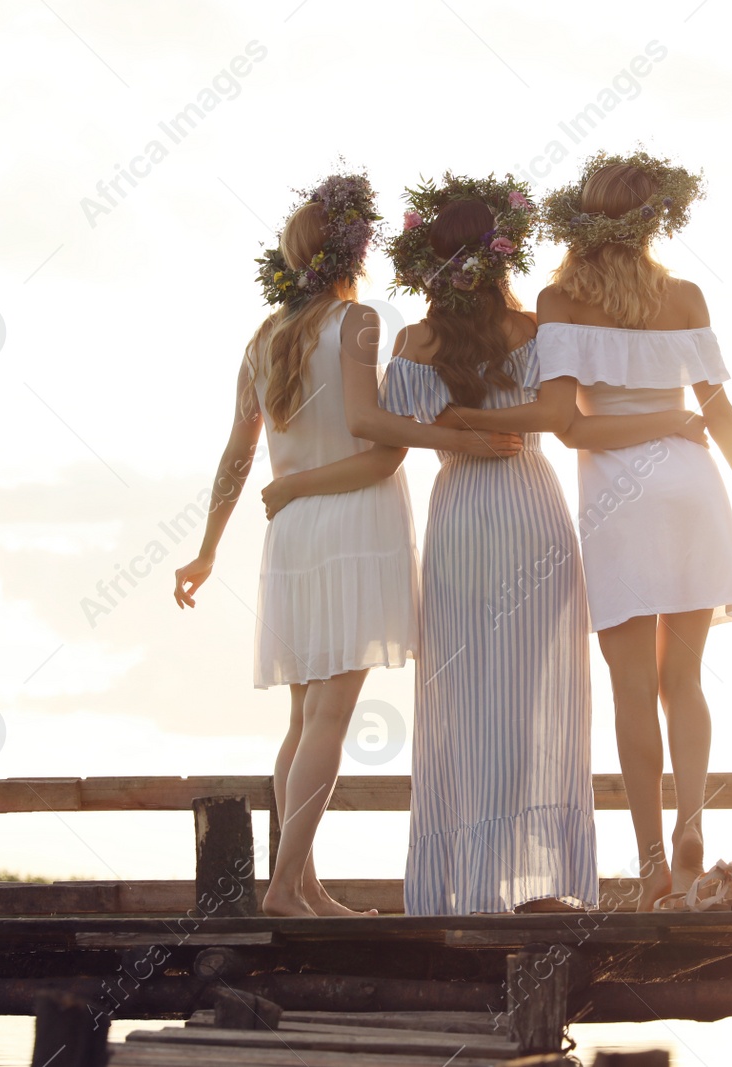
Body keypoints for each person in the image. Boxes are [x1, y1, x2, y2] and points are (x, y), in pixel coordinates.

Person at [172, 173, 514, 917]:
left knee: (303, 718)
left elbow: (237, 453)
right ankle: (283, 887)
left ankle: (303, 883)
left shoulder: (262, 338)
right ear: (352, 251)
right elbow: (375, 438)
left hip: (294, 532)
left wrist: (208, 546)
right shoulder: (357, 323)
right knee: (328, 715)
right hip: (354, 522)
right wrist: (455, 438)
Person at [376, 176, 699, 914]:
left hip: (459, 511)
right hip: (530, 506)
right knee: (529, 698)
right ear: (502, 256)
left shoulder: (414, 343)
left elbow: (388, 443)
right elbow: (565, 415)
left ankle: (472, 886)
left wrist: (450, 432)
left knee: (459, 699)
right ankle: (540, 885)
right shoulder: (535, 333)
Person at [535, 152, 732, 910]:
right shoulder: (683, 297)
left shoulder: (560, 301)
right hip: (692, 490)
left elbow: (571, 431)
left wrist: (646, 421)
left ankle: (653, 862)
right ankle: (691, 826)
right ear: (657, 219)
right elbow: (718, 414)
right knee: (685, 679)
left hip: (621, 498)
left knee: (632, 690)